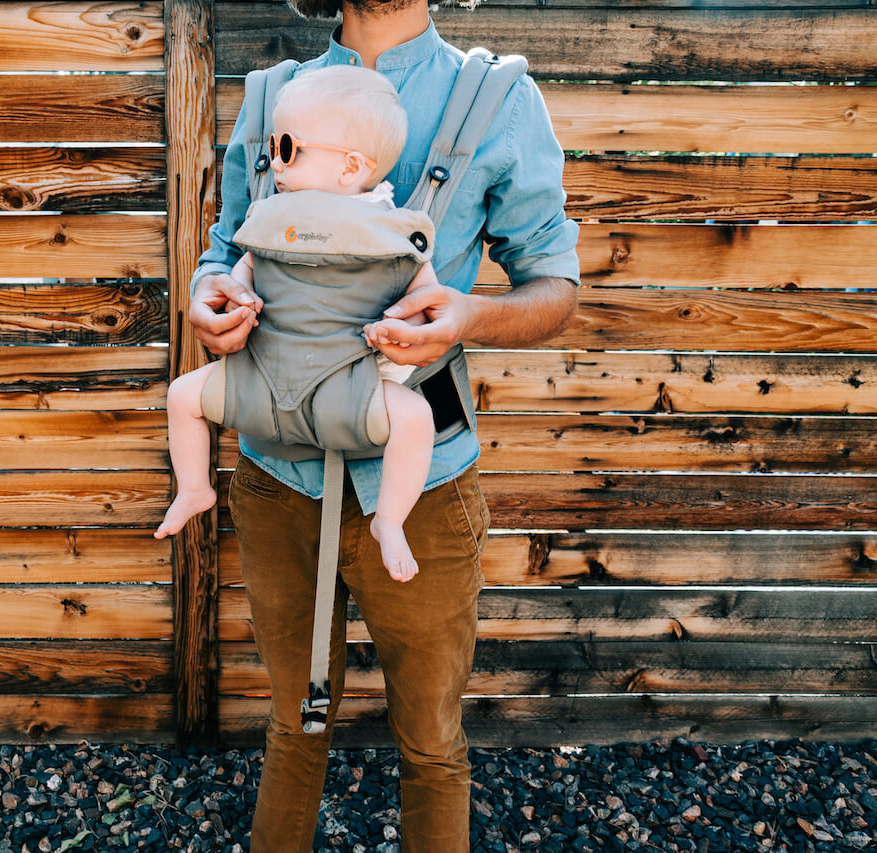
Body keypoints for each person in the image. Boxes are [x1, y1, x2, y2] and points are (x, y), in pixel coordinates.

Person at [188, 0, 581, 849]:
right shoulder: (269, 96)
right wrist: (206, 297)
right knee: (294, 725)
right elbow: (224, 249)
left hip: (426, 484)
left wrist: (467, 314)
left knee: (433, 743)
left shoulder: (498, 98)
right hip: (276, 475)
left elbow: (557, 287)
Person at [154, 64, 439, 583]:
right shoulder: (269, 216)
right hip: (260, 376)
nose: (274, 162)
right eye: (272, 146)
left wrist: (409, 323)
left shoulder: (395, 232)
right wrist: (231, 296)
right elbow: (242, 270)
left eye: (288, 147)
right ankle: (195, 487)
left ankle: (390, 519)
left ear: (351, 167)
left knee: (416, 419)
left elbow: (426, 298)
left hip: (352, 387)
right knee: (182, 395)